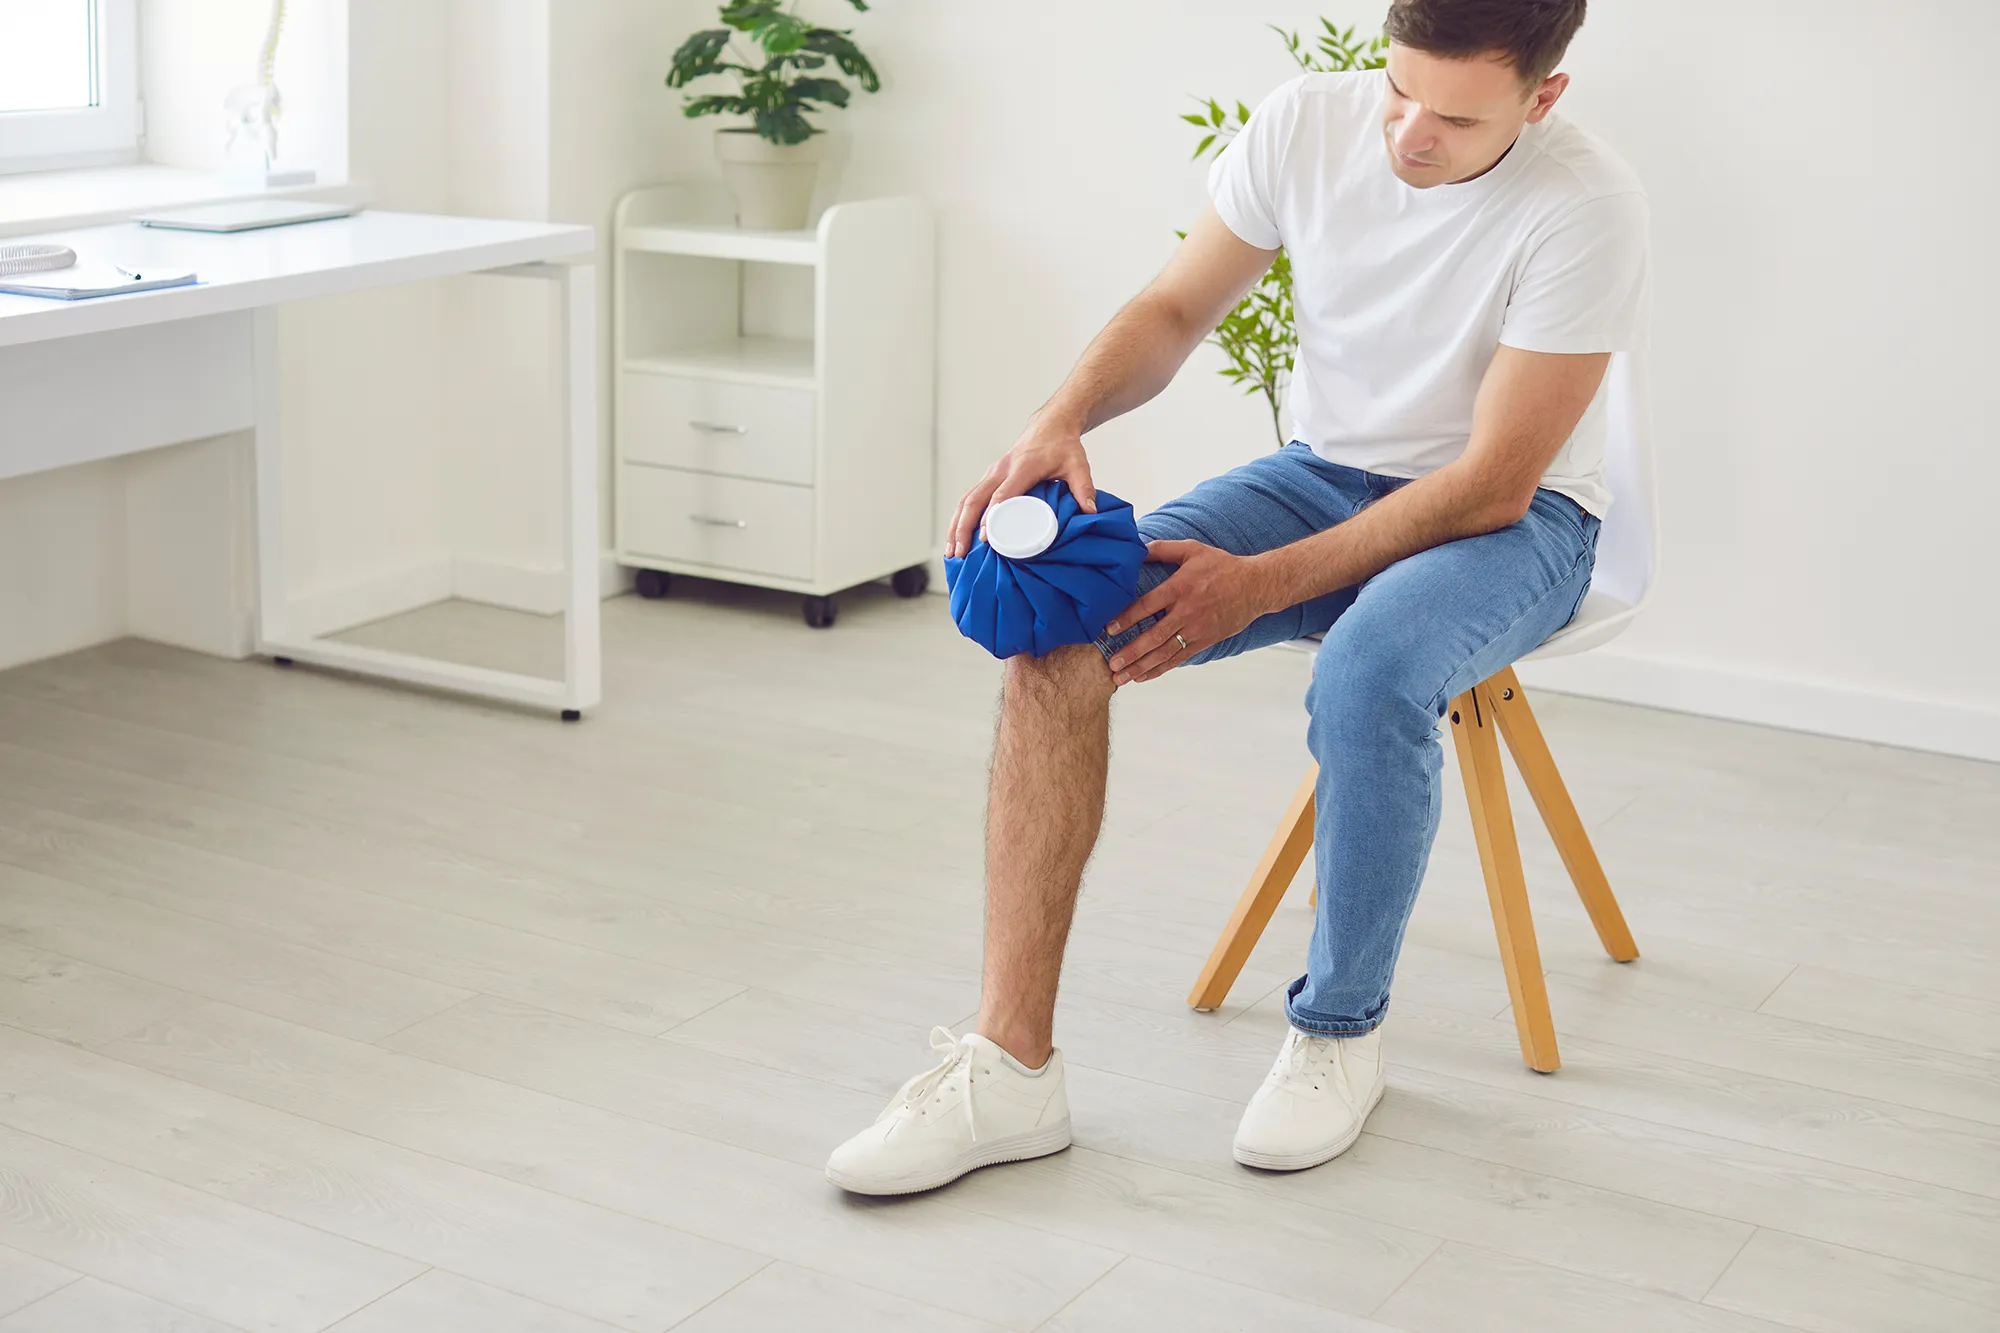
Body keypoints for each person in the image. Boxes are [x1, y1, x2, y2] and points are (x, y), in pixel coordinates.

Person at [827, 0, 1648, 1195]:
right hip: (1322, 476)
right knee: (1060, 623)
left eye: (1457, 115)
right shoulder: (1304, 125)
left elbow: (1488, 480)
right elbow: (1171, 310)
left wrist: (1256, 584)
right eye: (1397, 89)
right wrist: (1056, 419)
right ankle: (1009, 1066)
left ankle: (1336, 1036)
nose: (1410, 134)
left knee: (1368, 671)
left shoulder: (1586, 203)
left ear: (1542, 99)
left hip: (1518, 524)